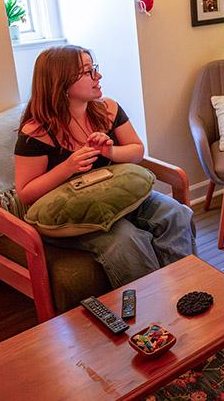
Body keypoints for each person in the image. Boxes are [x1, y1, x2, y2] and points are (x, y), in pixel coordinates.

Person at [14, 45, 196, 288]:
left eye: (94, 69)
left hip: (117, 196)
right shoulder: (36, 132)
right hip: (72, 216)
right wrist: (68, 167)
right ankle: (152, 308)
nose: (98, 76)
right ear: (61, 83)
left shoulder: (106, 109)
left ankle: (185, 289)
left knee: (176, 214)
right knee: (127, 239)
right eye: (88, 72)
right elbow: (26, 193)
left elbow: (136, 150)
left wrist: (109, 151)